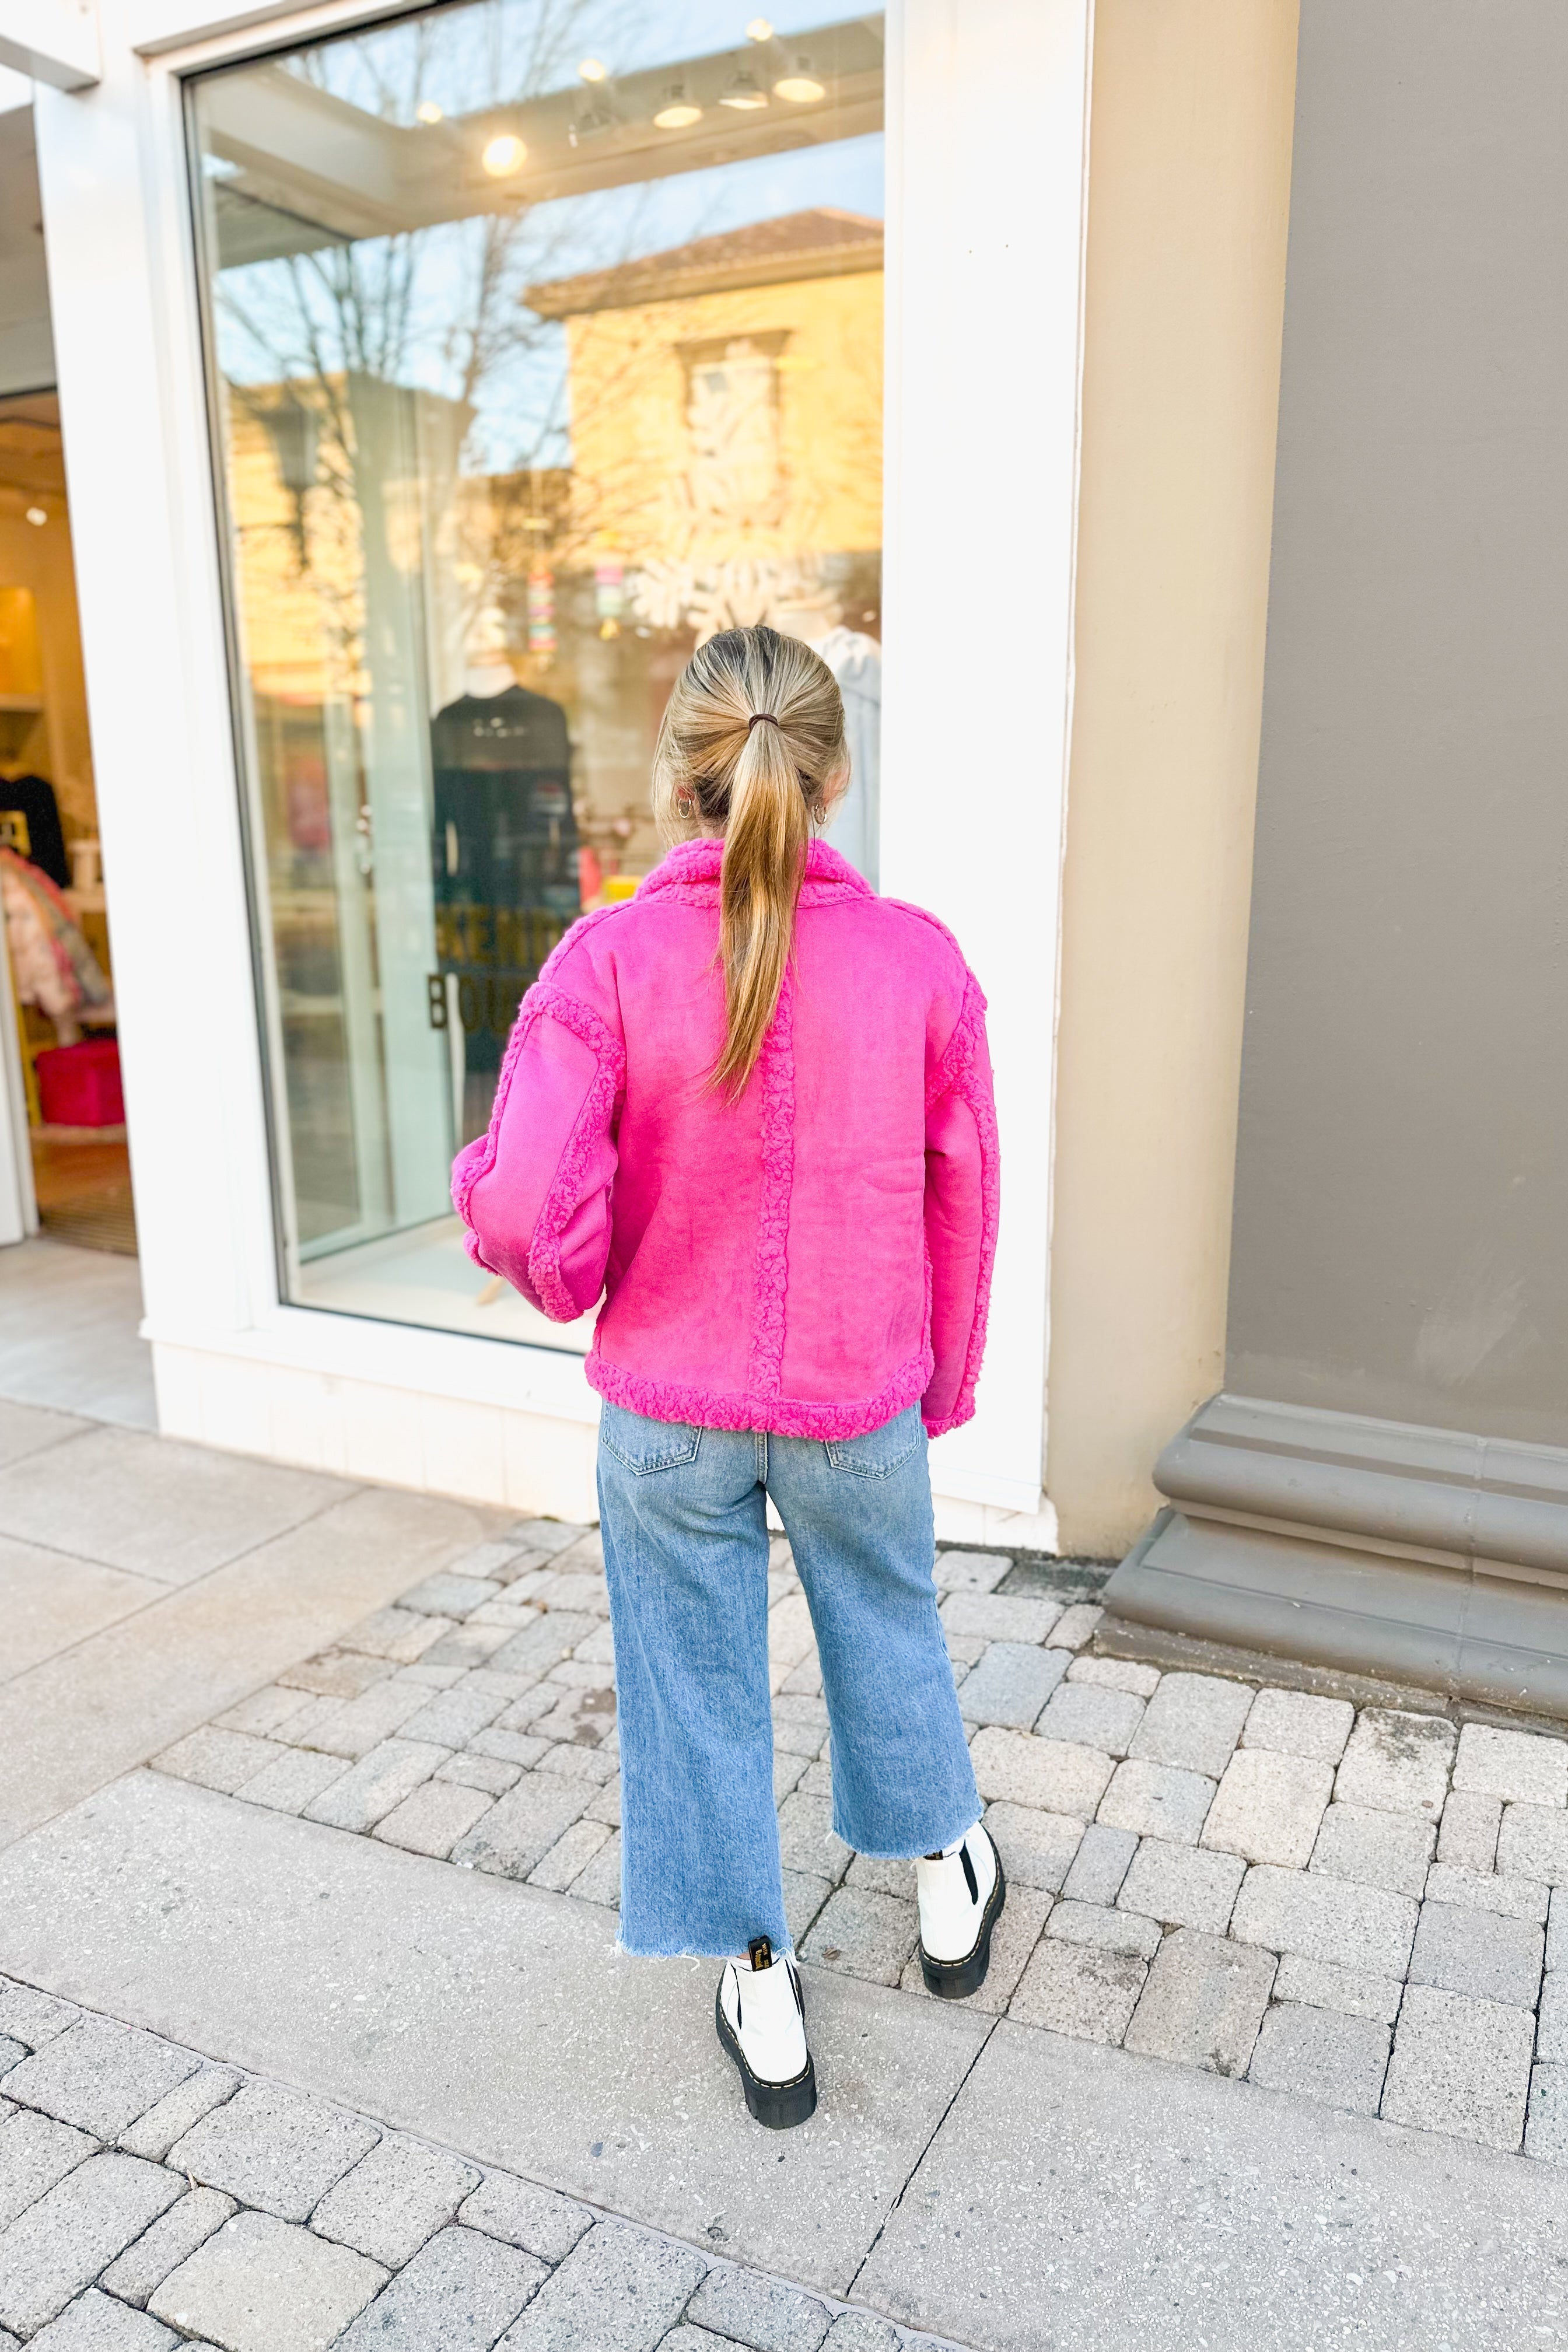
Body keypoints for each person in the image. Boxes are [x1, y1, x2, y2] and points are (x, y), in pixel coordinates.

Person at [452, 624, 1002, 2129]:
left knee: (689, 1681)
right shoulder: (918, 962)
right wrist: (942, 1384)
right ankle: (945, 1869)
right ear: (833, 776)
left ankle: (759, 1975)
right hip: (855, 1396)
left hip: (668, 1409)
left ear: (676, 775)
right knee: (888, 1622)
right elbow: (963, 1194)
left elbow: (522, 1203)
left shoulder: (608, 961)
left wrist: (554, 1258)